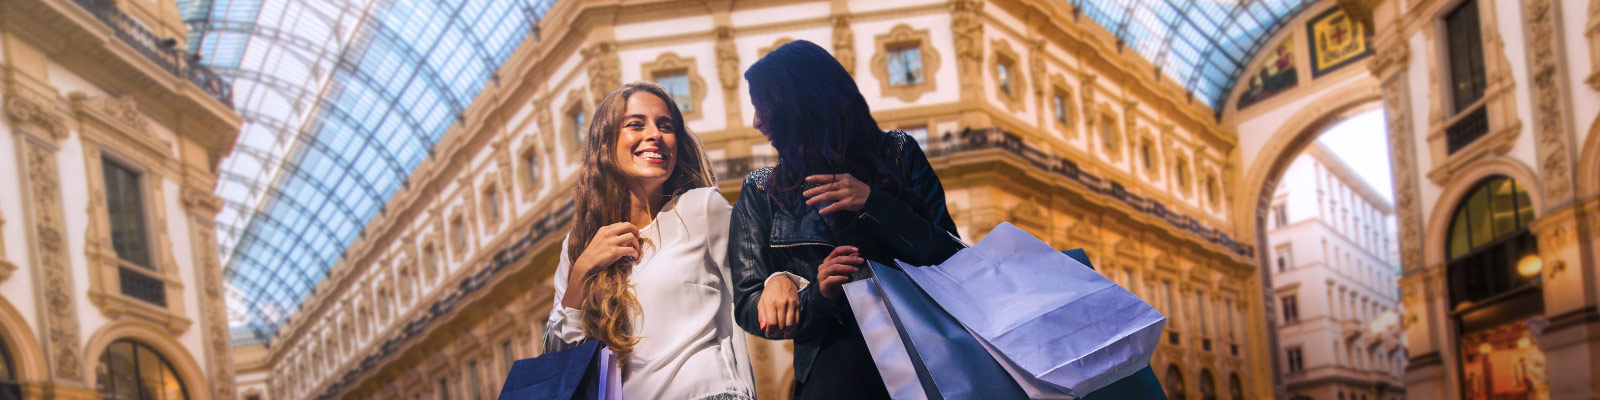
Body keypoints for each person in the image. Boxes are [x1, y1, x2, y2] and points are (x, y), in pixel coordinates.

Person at [729, 40, 964, 399]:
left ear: (800, 103)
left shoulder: (899, 154)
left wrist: (875, 203)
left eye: (763, 105)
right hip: (832, 375)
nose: (757, 121)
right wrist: (820, 294)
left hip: (923, 360)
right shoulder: (761, 190)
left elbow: (952, 260)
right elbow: (750, 308)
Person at [542, 81, 754, 399]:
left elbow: (755, 288)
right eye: (636, 124)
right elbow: (557, 358)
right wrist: (582, 272)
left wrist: (784, 278)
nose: (654, 134)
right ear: (605, 143)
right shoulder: (579, 244)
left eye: (665, 125)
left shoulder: (702, 208)